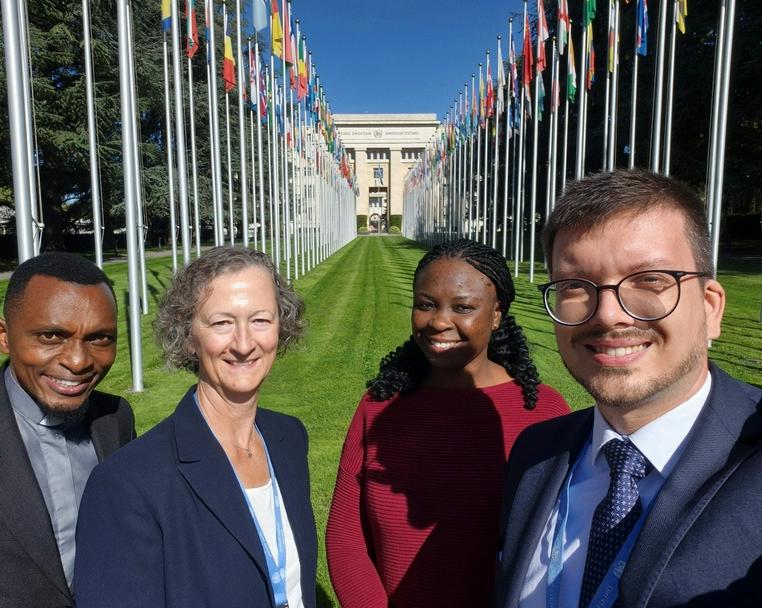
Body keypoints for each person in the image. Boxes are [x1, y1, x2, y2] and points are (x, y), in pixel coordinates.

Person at [496, 169, 762, 608]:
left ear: (710, 308)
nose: (608, 315)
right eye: (575, 286)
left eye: (650, 279)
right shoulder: (536, 454)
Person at [326, 239, 570, 608]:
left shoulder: (544, 412)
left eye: (463, 307)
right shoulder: (378, 407)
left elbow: (559, 544)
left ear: (496, 314)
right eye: (426, 305)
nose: (439, 321)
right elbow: (346, 535)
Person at [75, 246, 317, 608]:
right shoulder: (128, 484)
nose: (244, 343)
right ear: (188, 336)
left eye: (261, 320)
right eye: (222, 323)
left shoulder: (289, 440)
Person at [0, 252, 135, 608]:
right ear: (2, 336)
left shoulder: (115, 419)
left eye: (99, 338)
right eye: (51, 335)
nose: (78, 361)